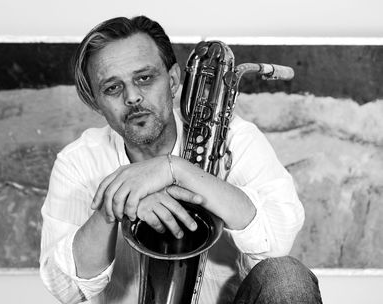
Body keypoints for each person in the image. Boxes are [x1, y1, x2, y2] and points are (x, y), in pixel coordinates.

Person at [39, 16, 322, 304]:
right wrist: (112, 206)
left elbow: (277, 244)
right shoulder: (77, 161)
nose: (133, 97)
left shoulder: (236, 138)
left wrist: (176, 169)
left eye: (144, 78)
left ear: (173, 81)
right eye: (113, 88)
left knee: (287, 276)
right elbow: (66, 290)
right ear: (97, 103)